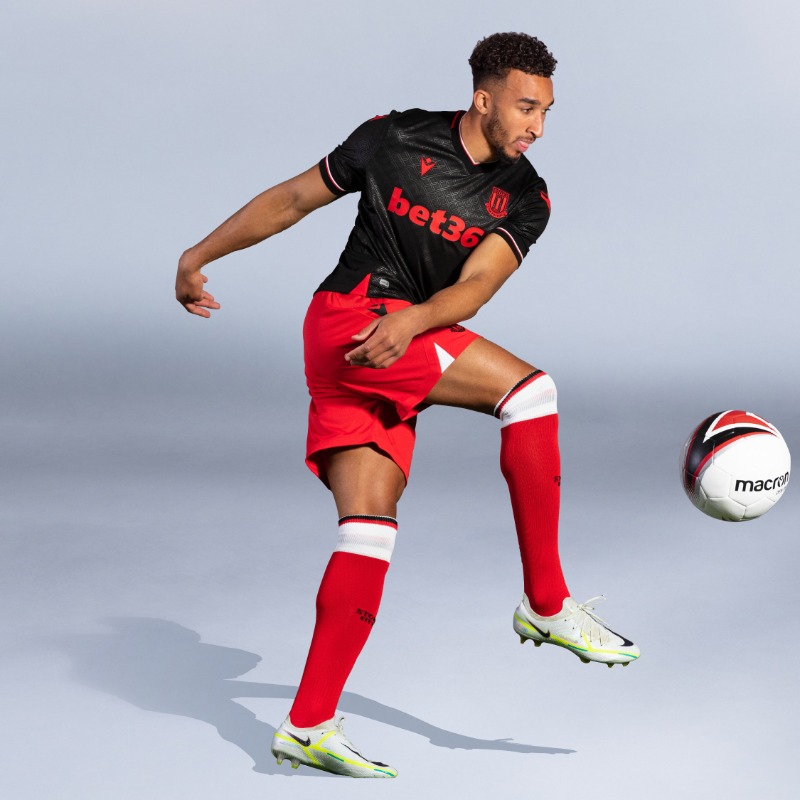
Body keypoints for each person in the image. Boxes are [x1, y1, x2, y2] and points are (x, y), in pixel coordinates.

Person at [175, 32, 639, 779]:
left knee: (368, 533)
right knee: (531, 394)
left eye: (547, 112)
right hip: (350, 324)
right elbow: (291, 200)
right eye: (526, 107)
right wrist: (197, 256)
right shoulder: (393, 137)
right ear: (482, 99)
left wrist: (414, 322)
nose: (537, 126)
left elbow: (477, 286)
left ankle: (308, 723)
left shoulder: (527, 197)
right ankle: (548, 603)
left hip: (396, 339)